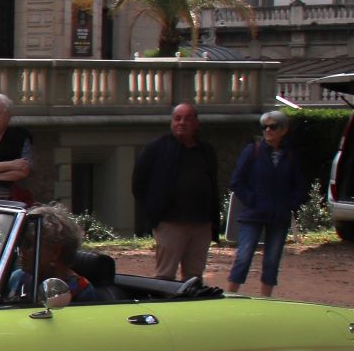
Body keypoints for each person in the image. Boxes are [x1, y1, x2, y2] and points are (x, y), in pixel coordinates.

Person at [132, 102, 221, 281]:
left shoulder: (206, 151)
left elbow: (213, 184)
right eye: (177, 118)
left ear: (196, 123)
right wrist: (154, 215)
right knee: (164, 275)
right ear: (171, 122)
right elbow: (138, 185)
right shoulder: (155, 149)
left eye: (188, 119)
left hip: (201, 223)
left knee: (194, 277)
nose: (182, 123)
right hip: (170, 224)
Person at [225, 109, 309, 296]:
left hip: (279, 216)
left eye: (273, 127)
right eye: (265, 127)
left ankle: (265, 299)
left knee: (272, 260)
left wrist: (291, 204)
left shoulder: (290, 156)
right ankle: (230, 295)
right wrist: (251, 200)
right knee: (243, 257)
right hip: (253, 214)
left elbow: (299, 185)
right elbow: (237, 181)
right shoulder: (252, 151)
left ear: (284, 130)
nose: (268, 131)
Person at [4, 204, 101, 305]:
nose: (21, 250)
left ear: (55, 252)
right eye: (21, 243)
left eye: (28, 245)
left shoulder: (80, 291)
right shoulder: (18, 278)